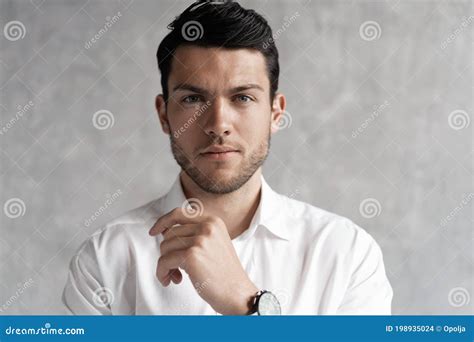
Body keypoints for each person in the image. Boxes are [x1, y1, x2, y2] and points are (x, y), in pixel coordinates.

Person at [62, 0, 393, 315]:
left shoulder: (347, 254)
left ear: (276, 113)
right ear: (164, 115)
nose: (218, 124)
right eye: (193, 98)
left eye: (243, 97)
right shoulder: (105, 259)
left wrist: (246, 304)